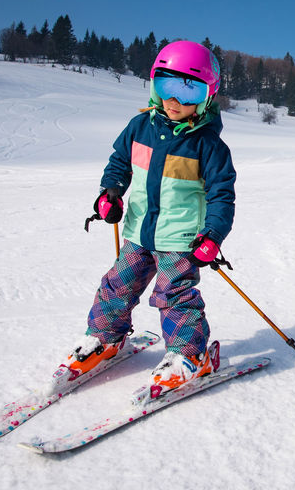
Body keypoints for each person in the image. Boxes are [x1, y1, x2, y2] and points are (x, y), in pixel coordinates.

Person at [64, 40, 236, 397]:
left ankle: (190, 355)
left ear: (207, 95)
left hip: (181, 240)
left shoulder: (208, 146)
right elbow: (119, 163)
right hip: (138, 232)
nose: (174, 101)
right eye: (166, 87)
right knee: (116, 285)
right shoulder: (140, 126)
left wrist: (213, 235)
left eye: (187, 91)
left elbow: (222, 195)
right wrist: (110, 192)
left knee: (174, 296)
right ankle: (105, 338)